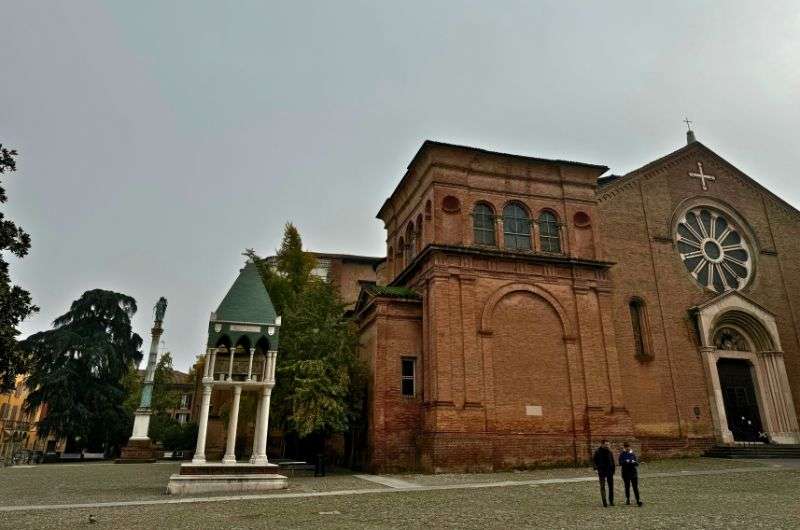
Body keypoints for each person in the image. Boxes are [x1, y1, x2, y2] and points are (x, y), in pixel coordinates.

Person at [618, 442, 643, 507]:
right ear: (624, 448)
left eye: (628, 447)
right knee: (627, 487)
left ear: (630, 447)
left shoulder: (632, 454)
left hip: (633, 473)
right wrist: (626, 461)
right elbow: (620, 463)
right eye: (626, 447)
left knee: (635, 487)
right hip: (625, 473)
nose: (627, 448)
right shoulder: (622, 454)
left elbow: (636, 463)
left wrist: (634, 462)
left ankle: (638, 500)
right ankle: (628, 499)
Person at [592, 439, 615, 507]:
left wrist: (613, 470)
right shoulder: (597, 451)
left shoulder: (610, 451)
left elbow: (612, 461)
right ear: (602, 444)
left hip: (609, 471)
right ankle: (604, 501)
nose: (607, 446)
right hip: (601, 471)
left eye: (608, 444)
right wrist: (595, 468)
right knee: (602, 486)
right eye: (606, 444)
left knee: (611, 487)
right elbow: (593, 461)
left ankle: (611, 501)